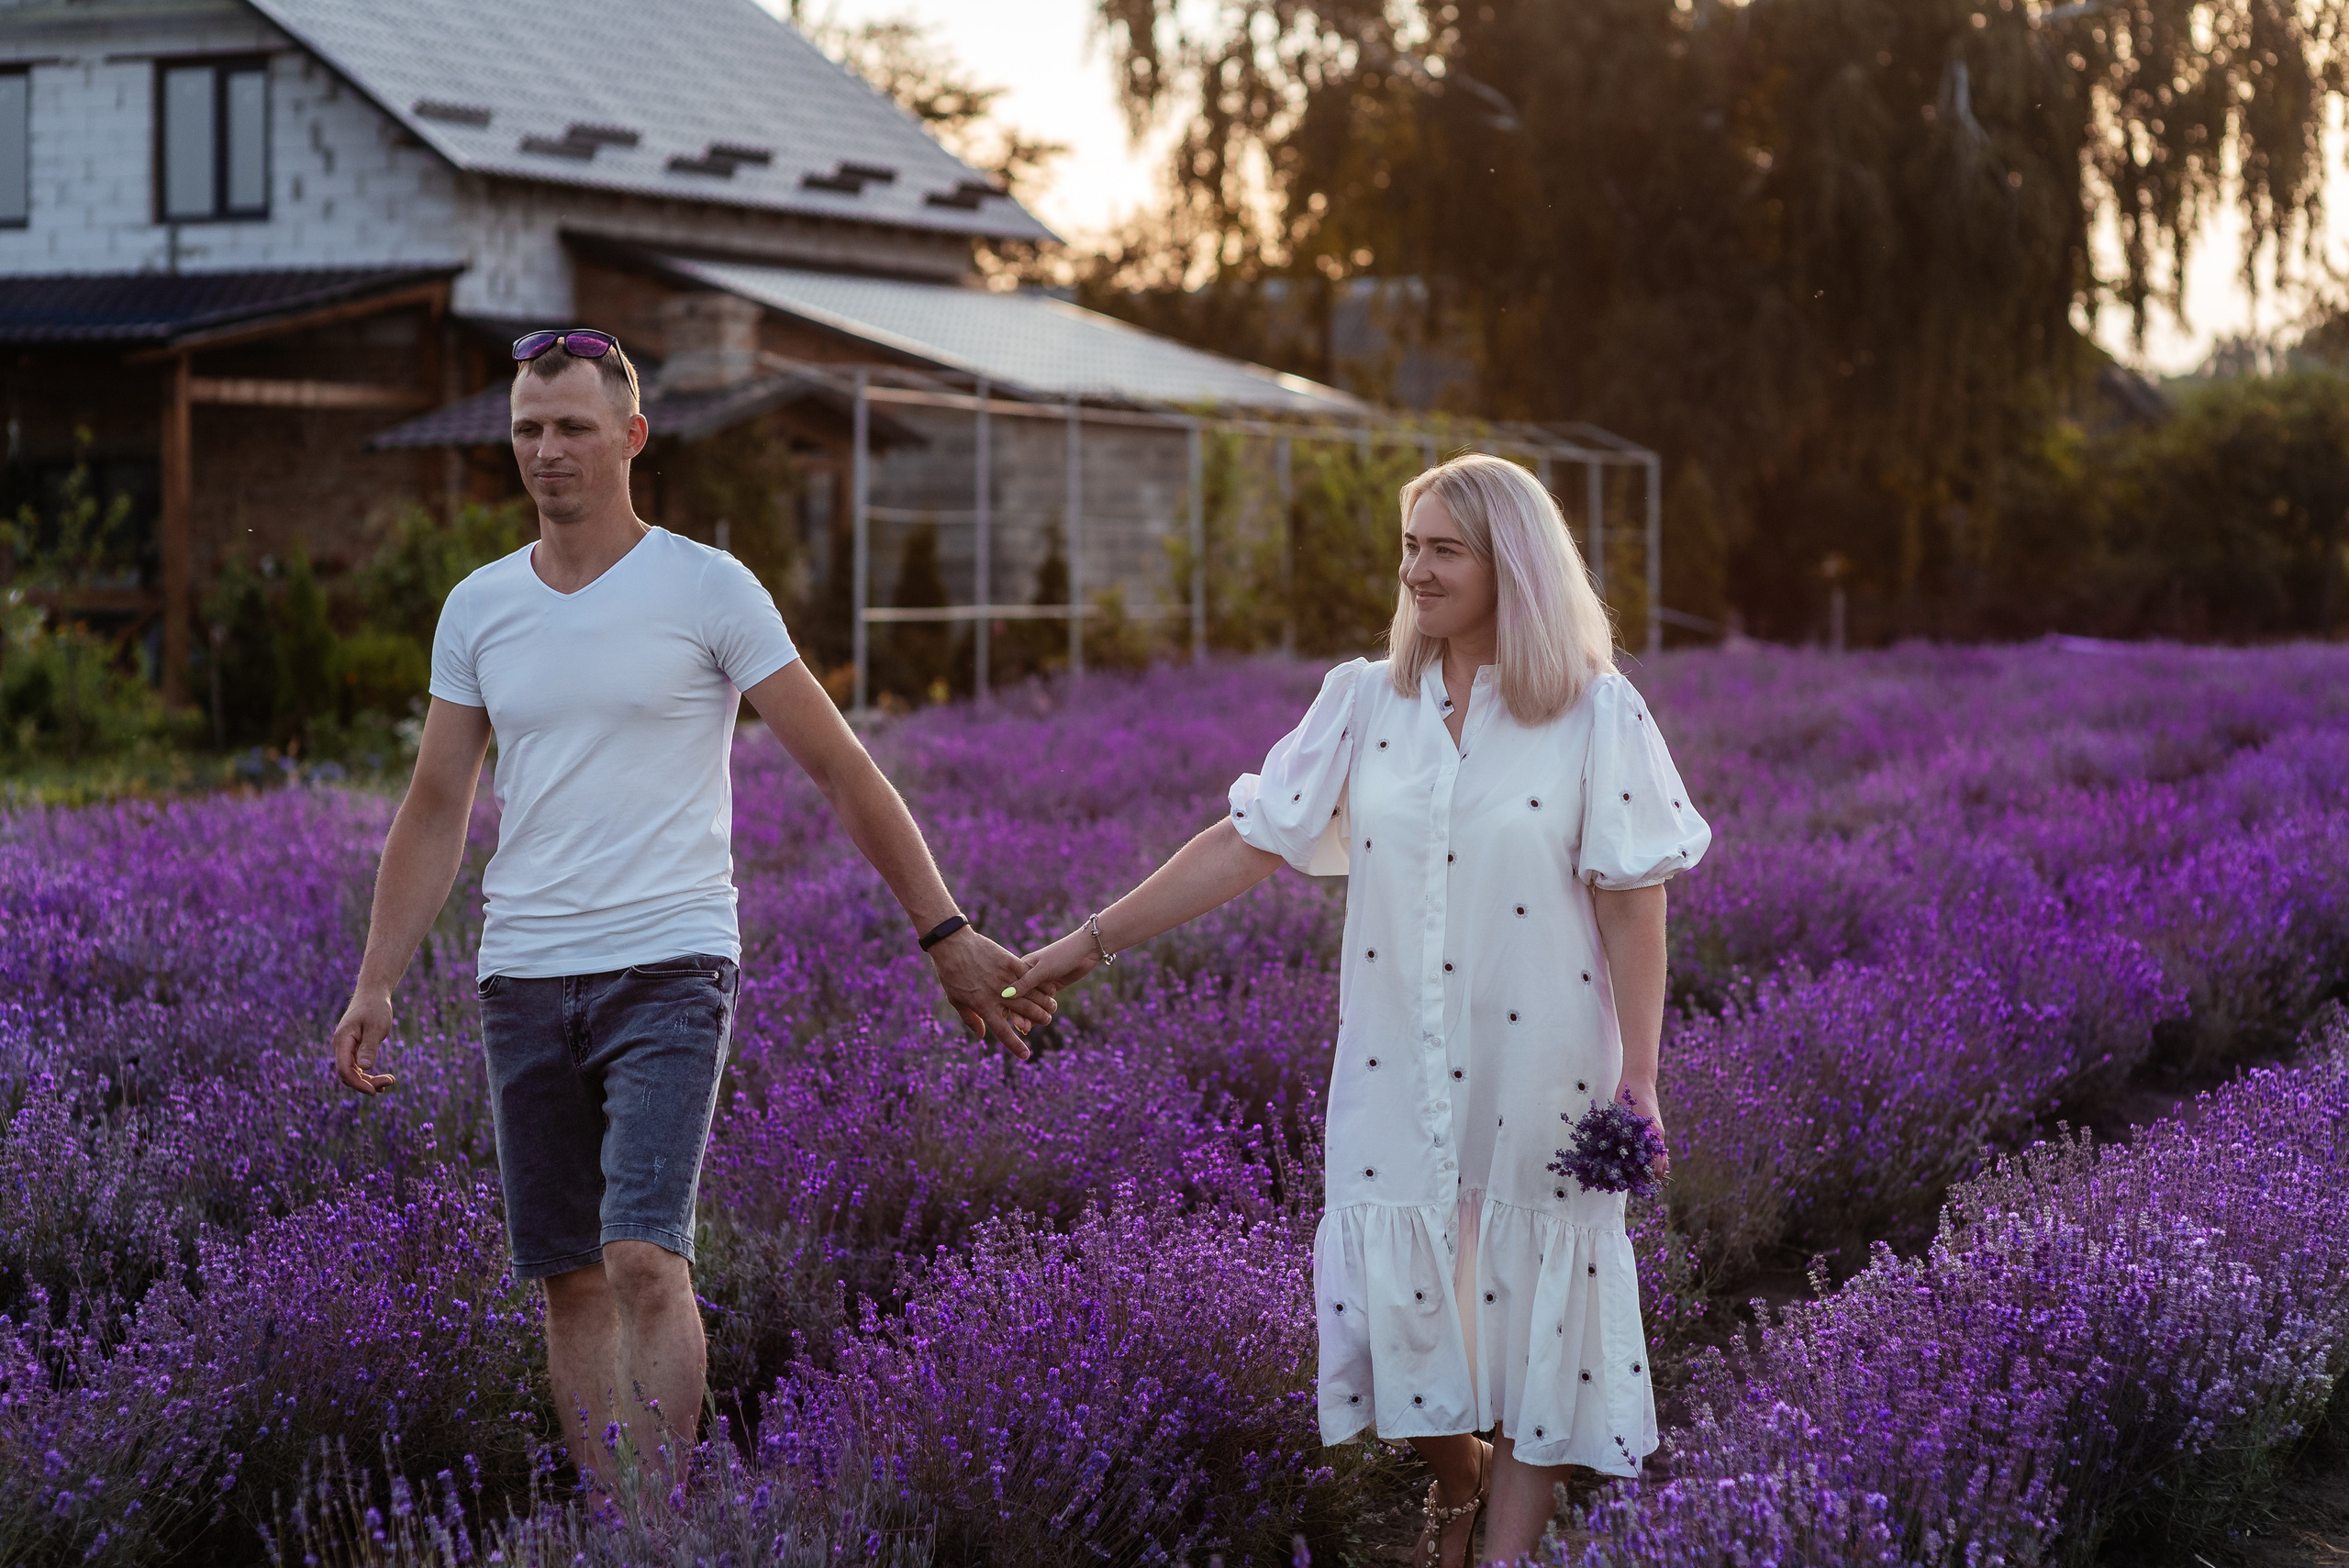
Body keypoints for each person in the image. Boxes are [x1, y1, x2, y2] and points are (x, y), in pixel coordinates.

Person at [328, 327, 1051, 1504]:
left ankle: (665, 1526)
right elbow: (436, 803)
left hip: (671, 964)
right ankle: (616, 1523)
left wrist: (944, 931)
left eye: (572, 426)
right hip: (523, 974)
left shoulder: (708, 586)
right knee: (568, 1275)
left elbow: (840, 766)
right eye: (527, 429)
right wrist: (376, 978)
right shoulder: (479, 606)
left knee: (642, 1255)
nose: (547, 450)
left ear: (631, 436)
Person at [1016, 453, 1710, 1567]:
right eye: (1409, 546)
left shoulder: (1595, 711)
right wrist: (1085, 944)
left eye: (1443, 550)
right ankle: (1457, 1472)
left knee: (1540, 1316)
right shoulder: (1363, 698)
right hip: (1395, 1063)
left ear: (1511, 565)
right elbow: (1247, 841)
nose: (1414, 571)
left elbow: (1634, 898)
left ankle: (1497, 1553)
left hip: (1544, 1064)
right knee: (1398, 1324)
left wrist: (1641, 1074)